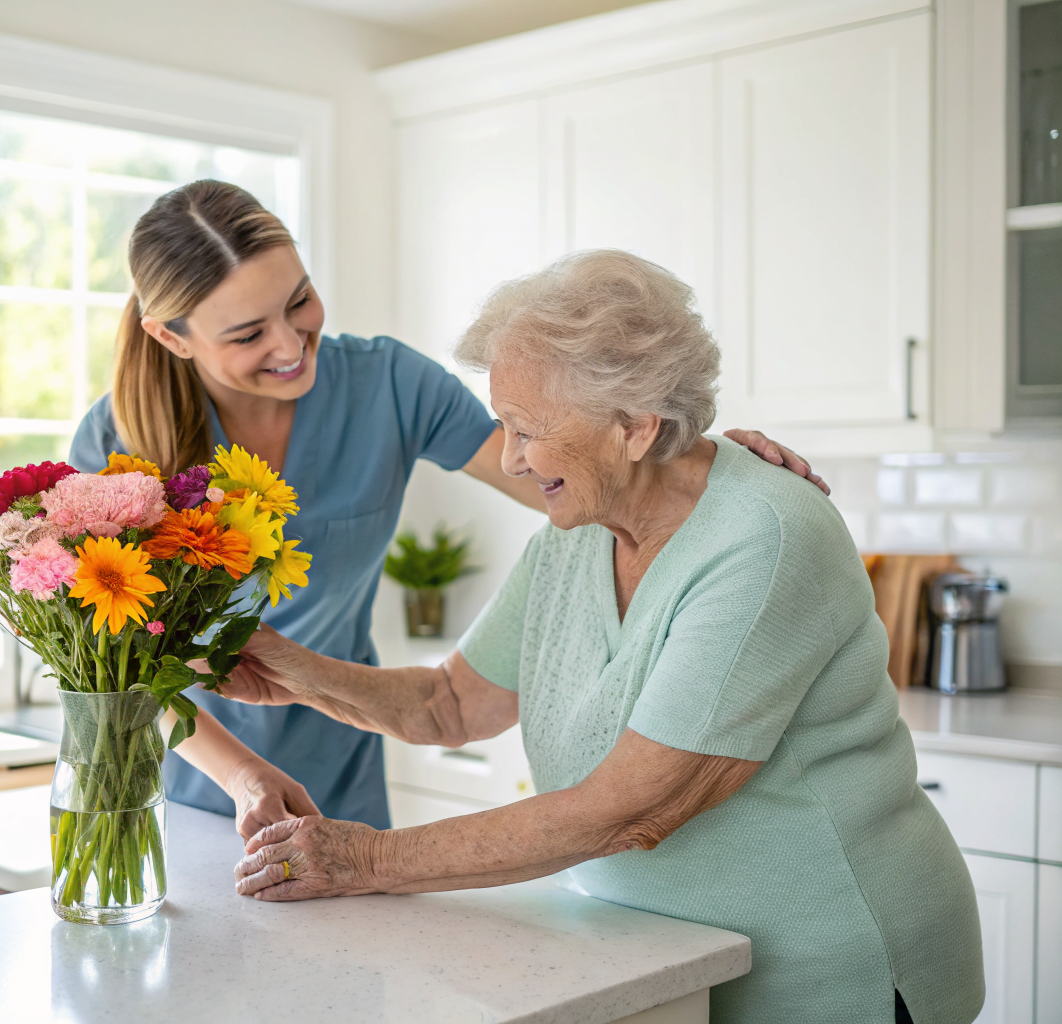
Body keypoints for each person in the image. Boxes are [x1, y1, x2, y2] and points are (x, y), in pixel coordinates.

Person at [219, 250, 985, 1023]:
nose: (510, 461)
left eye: (527, 431)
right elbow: (450, 703)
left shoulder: (763, 537)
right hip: (656, 954)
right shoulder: (577, 531)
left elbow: (627, 811)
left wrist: (367, 859)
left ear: (635, 427)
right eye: (502, 427)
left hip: (826, 967)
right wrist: (290, 671)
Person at [68, 180, 828, 836]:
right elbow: (118, 667)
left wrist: (691, 457)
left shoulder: (388, 386)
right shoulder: (117, 441)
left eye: (298, 300)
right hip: (172, 779)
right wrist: (243, 779)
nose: (291, 342)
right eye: (246, 333)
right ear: (170, 336)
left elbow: (571, 473)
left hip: (344, 763)